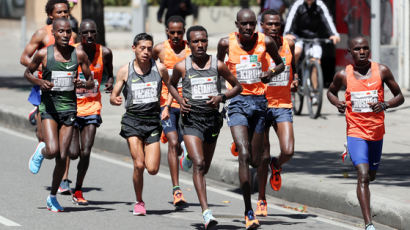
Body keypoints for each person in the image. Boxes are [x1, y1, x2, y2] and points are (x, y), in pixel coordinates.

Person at [327, 36, 404, 230]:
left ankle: (368, 175)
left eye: (365, 48)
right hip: (355, 131)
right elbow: (331, 92)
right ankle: (368, 224)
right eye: (357, 49)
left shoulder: (382, 70)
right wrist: (337, 103)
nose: (361, 52)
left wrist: (385, 104)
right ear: (349, 52)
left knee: (371, 175)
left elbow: (400, 96)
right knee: (362, 175)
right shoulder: (343, 74)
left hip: (376, 133)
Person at [169, 25, 242, 229]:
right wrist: (180, 101)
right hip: (191, 120)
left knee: (205, 167)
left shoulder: (217, 65)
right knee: (200, 164)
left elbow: (238, 86)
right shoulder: (182, 66)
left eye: (203, 40)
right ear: (188, 44)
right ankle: (207, 213)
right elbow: (171, 84)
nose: (200, 45)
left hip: (212, 121)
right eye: (195, 41)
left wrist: (221, 96)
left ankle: (188, 156)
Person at [217, 8, 284, 230]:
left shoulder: (266, 42)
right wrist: (220, 93)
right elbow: (217, 67)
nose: (248, 28)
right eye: (244, 24)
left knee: (256, 160)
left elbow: (280, 64)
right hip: (236, 101)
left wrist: (270, 74)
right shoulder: (225, 43)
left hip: (259, 102)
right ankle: (248, 211)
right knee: (244, 155)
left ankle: (242, 142)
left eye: (252, 24)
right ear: (236, 24)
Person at [25, 18, 93, 212]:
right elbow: (27, 73)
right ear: (53, 33)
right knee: (53, 150)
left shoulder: (78, 54)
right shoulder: (43, 55)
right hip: (49, 109)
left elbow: (91, 80)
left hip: (69, 109)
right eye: (61, 32)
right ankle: (42, 150)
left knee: (62, 157)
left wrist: (83, 84)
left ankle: (52, 197)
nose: (65, 35)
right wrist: (40, 83)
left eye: (68, 32)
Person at [110, 33, 169, 216]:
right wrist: (115, 99)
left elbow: (171, 88)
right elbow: (114, 94)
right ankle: (139, 201)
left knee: (152, 169)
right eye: (142, 48)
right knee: (139, 164)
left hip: (152, 121)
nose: (146, 52)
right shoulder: (125, 70)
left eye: (149, 49)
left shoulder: (159, 68)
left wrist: (166, 106)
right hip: (132, 121)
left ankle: (140, 198)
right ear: (134, 48)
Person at [58, 19, 114, 204]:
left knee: (86, 151)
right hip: (72, 106)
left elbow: (110, 74)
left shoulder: (104, 52)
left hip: (92, 107)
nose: (89, 36)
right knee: (73, 153)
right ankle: (64, 176)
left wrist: (110, 83)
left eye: (93, 33)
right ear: (79, 35)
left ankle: (79, 190)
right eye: (85, 33)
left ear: (96, 34)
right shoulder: (71, 51)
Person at [255, 9, 298, 217]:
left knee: (288, 150)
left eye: (277, 24)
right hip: (262, 103)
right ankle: (262, 199)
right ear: (261, 25)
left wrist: (295, 79)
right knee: (262, 156)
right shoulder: (257, 46)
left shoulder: (289, 44)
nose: (273, 28)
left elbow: (293, 67)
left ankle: (277, 163)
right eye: (269, 24)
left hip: (283, 103)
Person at [21, 0, 75, 143]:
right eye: (59, 12)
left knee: (63, 142)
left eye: (65, 11)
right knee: (42, 137)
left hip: (65, 88)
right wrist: (42, 67)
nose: (63, 14)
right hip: (44, 85)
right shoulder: (42, 33)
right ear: (50, 15)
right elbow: (24, 58)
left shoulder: (72, 35)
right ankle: (37, 112)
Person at [152, 15, 191, 208]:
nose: (176, 36)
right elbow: (147, 68)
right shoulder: (159, 49)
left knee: (187, 145)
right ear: (167, 31)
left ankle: (187, 152)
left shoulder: (191, 49)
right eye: (172, 32)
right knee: (174, 143)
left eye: (179, 32)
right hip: (166, 104)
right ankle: (176, 189)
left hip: (188, 103)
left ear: (184, 32)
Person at [284, 0, 340, 99]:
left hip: (314, 37)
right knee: (296, 52)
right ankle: (293, 77)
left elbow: (327, 19)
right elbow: (290, 19)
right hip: (298, 36)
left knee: (316, 62)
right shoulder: (298, 4)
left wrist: (334, 34)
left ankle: (314, 92)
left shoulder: (320, 5)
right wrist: (287, 33)